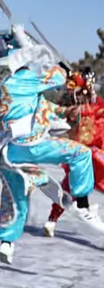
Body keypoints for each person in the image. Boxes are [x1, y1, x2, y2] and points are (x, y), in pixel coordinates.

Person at [0, 0, 104, 265]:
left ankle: (7, 243)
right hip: (34, 146)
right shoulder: (31, 79)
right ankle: (81, 203)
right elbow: (61, 78)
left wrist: (5, 47)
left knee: (14, 198)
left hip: (7, 151)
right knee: (80, 154)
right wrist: (77, 78)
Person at [44, 68, 104, 236]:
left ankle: (57, 218)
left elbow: (93, 109)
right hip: (81, 154)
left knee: (71, 186)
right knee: (68, 188)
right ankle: (53, 219)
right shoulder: (74, 107)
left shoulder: (97, 105)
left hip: (94, 154)